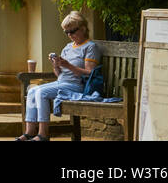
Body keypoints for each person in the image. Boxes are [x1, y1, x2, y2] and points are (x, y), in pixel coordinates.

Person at [17, 10, 103, 141]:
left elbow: (90, 73)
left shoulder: (90, 47)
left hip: (77, 85)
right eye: (66, 32)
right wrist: (56, 65)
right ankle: (29, 132)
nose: (70, 35)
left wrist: (68, 65)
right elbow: (59, 75)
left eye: (73, 31)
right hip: (62, 82)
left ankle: (43, 134)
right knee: (32, 90)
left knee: (41, 92)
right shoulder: (68, 47)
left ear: (83, 28)